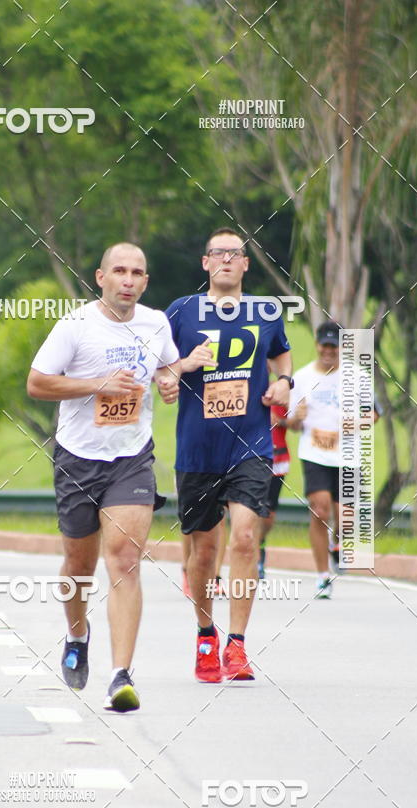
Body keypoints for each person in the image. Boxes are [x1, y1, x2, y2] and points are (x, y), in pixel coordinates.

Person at [27, 243, 180, 712]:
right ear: (101, 277)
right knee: (79, 567)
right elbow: (36, 383)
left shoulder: (156, 322)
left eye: (137, 272)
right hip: (77, 458)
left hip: (131, 458)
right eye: (119, 271)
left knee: (124, 561)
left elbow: (168, 362)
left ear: (145, 282)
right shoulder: (75, 326)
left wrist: (169, 379)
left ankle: (121, 676)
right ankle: (77, 634)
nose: (128, 280)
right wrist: (97, 384)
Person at [166, 228, 292, 683]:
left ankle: (236, 645)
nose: (225, 260)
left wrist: (284, 384)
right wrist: (184, 366)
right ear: (205, 264)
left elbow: (282, 358)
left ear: (245, 265)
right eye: (217, 253)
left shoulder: (265, 312)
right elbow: (160, 369)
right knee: (203, 551)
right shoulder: (181, 311)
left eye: (234, 254)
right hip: (198, 449)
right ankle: (205, 635)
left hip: (250, 444)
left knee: (243, 538)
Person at [287, 321, 379, 599]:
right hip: (314, 453)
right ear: (317, 346)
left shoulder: (358, 376)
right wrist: (296, 418)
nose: (329, 351)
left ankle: (337, 542)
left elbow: (374, 414)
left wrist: (356, 422)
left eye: (335, 346)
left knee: (345, 516)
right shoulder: (301, 377)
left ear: (342, 348)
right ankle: (322, 576)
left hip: (347, 453)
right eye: (325, 345)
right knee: (320, 509)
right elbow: (290, 423)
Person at [258, 404, 290, 579]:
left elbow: (297, 424)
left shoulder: (281, 392)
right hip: (250, 459)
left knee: (268, 514)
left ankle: (259, 542)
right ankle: (254, 554)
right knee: (252, 508)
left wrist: (280, 421)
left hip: (277, 458)